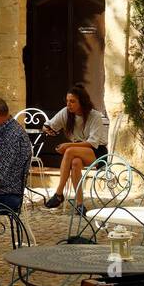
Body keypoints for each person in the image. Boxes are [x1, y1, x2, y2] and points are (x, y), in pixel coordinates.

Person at [42, 84, 108, 214]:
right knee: (75, 162)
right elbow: (48, 125)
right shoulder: (66, 113)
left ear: (81, 102)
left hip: (97, 151)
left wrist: (68, 145)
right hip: (79, 151)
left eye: (72, 101)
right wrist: (48, 129)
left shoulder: (95, 116)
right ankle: (80, 204)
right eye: (67, 101)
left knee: (70, 151)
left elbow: (92, 143)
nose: (69, 104)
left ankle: (59, 193)